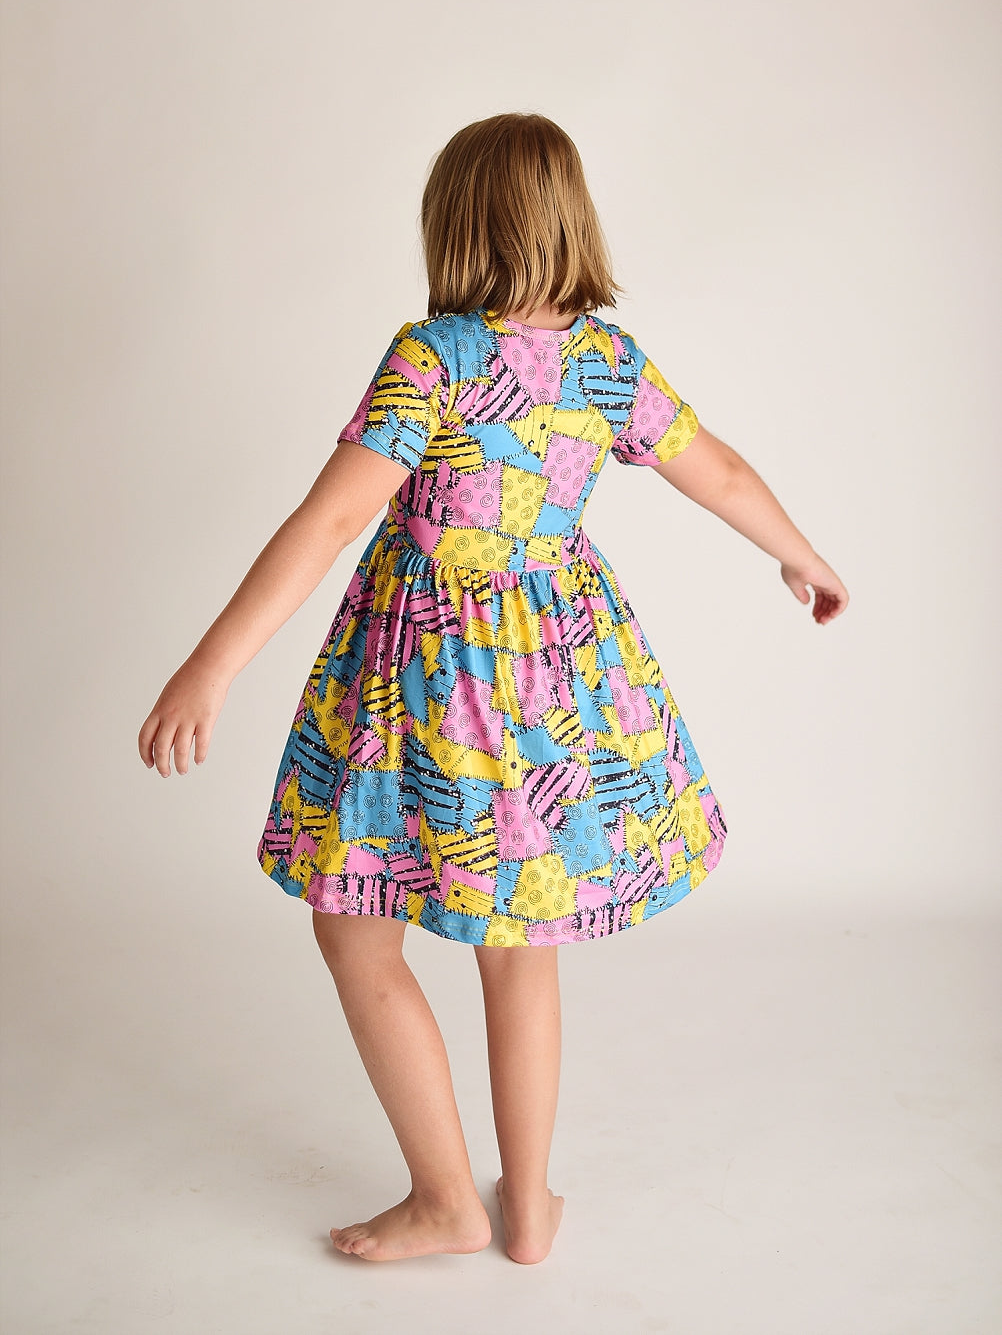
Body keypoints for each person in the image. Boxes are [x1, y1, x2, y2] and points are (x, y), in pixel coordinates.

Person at [138, 112, 849, 1267]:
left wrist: (211, 665)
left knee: (357, 927)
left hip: (423, 682)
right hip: (555, 677)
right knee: (521, 948)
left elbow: (331, 518)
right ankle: (526, 1209)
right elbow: (715, 468)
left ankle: (445, 1200)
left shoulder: (435, 358)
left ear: (457, 224)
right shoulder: (609, 362)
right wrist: (801, 556)